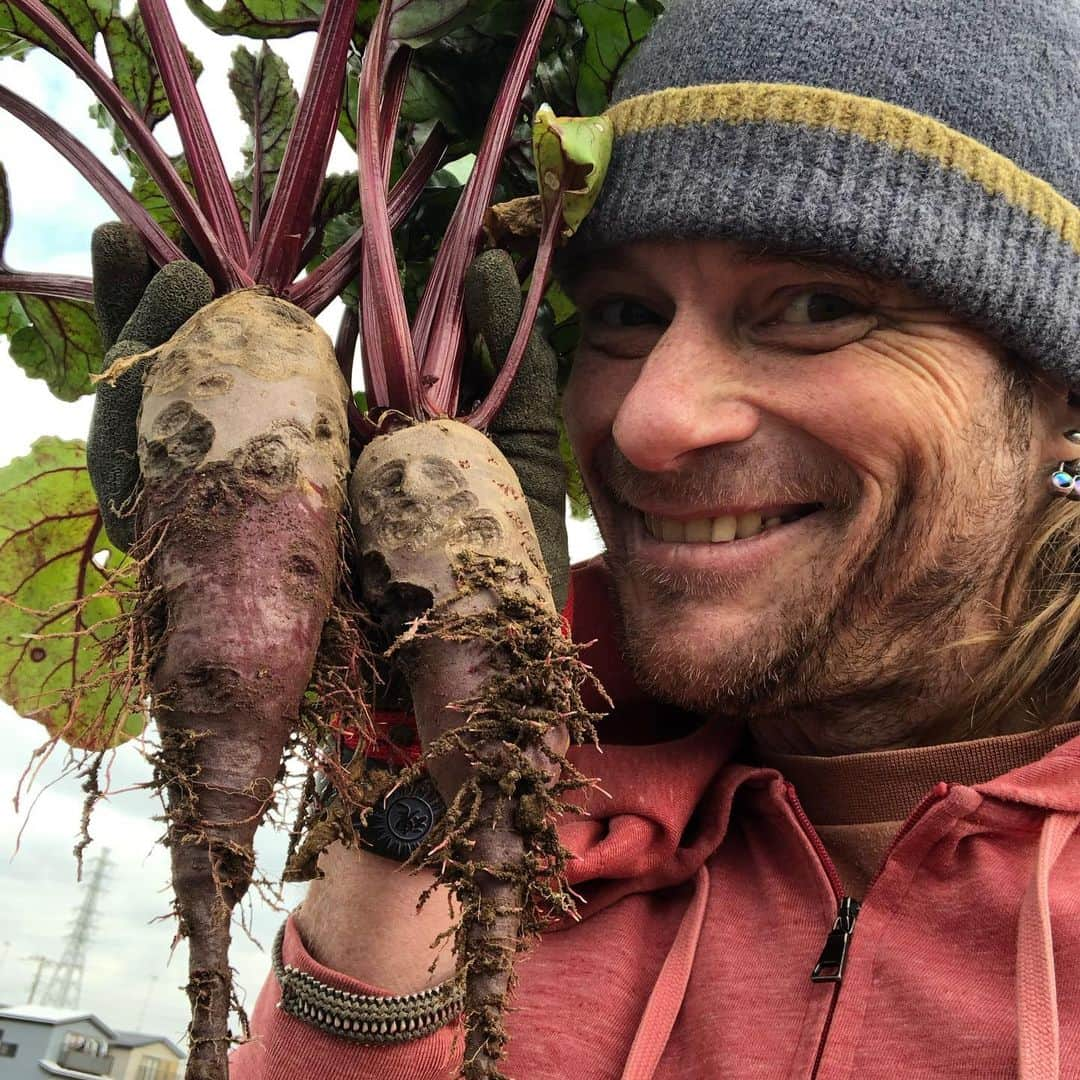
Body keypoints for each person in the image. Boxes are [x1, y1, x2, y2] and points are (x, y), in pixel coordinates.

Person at [89, 0, 1080, 1076]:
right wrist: (404, 753)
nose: (654, 422)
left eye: (816, 305)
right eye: (622, 315)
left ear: (1061, 395)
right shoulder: (515, 823)